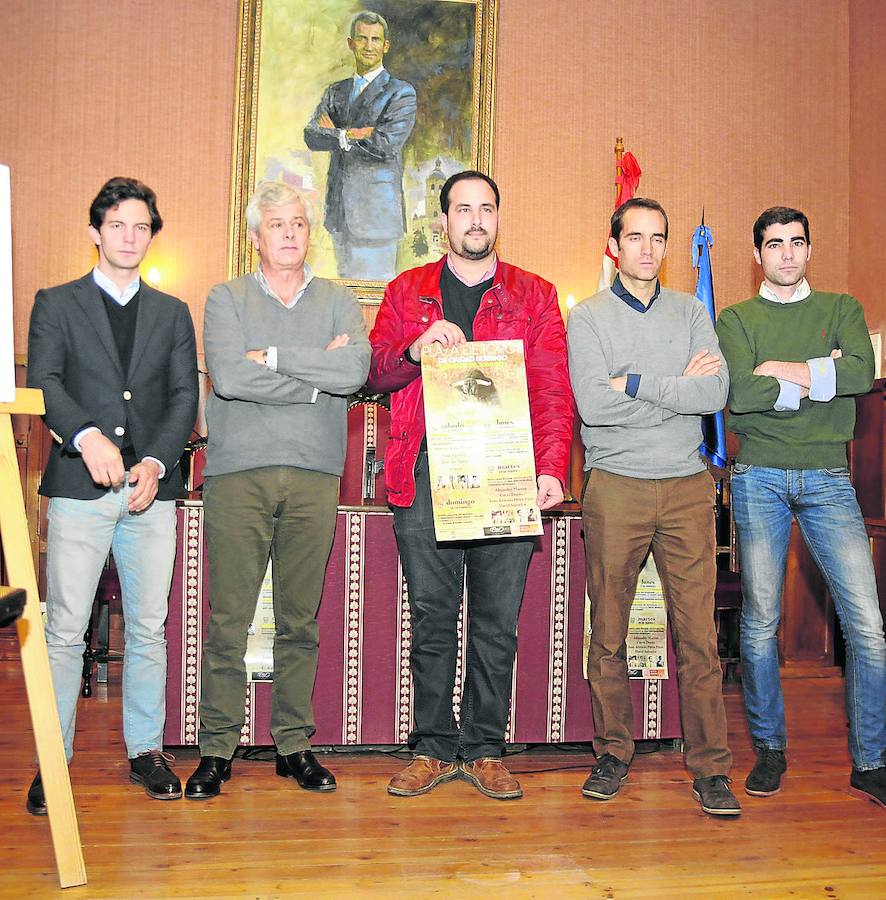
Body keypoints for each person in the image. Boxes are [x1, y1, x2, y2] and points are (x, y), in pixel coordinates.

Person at [368, 170, 573, 800]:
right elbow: (373, 374)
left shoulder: (535, 295)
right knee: (431, 617)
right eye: (463, 209)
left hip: (507, 476)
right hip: (425, 472)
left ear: (498, 219)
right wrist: (413, 346)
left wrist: (552, 467)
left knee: (495, 621)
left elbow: (551, 388)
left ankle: (486, 748)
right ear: (444, 222)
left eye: (486, 209)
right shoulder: (407, 291)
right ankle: (431, 748)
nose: (475, 220)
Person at [184, 181, 370, 800]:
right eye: (276, 225)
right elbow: (231, 378)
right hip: (238, 474)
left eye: (297, 223)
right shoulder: (225, 297)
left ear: (308, 230)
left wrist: (275, 357)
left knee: (300, 621)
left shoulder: (339, 301)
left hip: (316, 474)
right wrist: (315, 376)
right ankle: (217, 748)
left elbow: (354, 370)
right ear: (255, 236)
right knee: (229, 620)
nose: (289, 233)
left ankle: (294, 745)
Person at [25, 177, 199, 813]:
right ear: (95, 232)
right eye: (118, 225)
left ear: (152, 236)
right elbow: (44, 378)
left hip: (151, 493)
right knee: (65, 630)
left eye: (142, 227)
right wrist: (87, 435)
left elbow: (185, 395)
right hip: (77, 485)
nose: (130, 237)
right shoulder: (56, 302)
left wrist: (156, 461)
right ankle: (53, 757)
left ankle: (146, 750)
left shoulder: (173, 312)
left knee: (149, 629)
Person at [567, 197, 740, 817]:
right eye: (634, 237)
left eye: (658, 238)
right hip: (616, 487)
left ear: (667, 248)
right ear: (613, 246)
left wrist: (635, 381)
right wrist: (677, 390)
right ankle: (613, 753)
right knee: (608, 632)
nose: (647, 248)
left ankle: (711, 768)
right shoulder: (586, 318)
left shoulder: (693, 311)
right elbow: (593, 406)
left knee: (698, 636)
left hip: (688, 487)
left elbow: (715, 391)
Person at [716, 206, 886, 808]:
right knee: (761, 622)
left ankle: (871, 762)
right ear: (757, 255)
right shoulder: (735, 319)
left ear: (809, 250)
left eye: (796, 243)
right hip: (757, 475)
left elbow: (864, 374)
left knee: (867, 625)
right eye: (774, 244)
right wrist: (822, 377)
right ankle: (770, 749)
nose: (786, 254)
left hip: (829, 477)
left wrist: (780, 375)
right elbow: (739, 391)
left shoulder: (841, 309)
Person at [304, 10, 417, 281]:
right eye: (362, 38)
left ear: (385, 45)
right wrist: (352, 134)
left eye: (375, 39)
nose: (368, 46)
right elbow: (311, 135)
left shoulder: (400, 93)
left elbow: (385, 145)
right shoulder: (336, 91)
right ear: (350, 43)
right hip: (339, 215)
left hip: (375, 219)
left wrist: (337, 134)